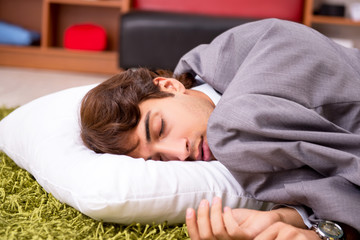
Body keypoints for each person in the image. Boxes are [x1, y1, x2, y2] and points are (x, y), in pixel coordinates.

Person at [80, 19, 360, 239]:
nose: (180, 153)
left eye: (160, 129)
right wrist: (280, 219)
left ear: (170, 86)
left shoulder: (233, 119)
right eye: (158, 159)